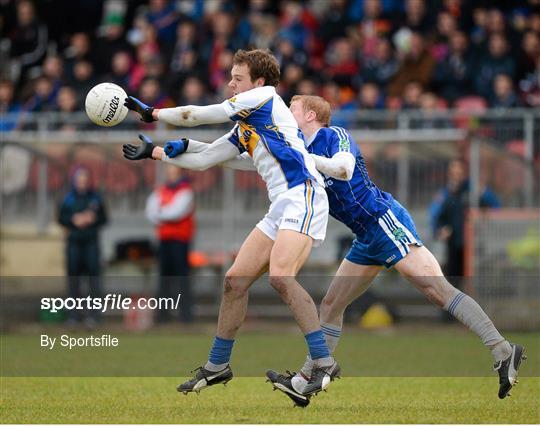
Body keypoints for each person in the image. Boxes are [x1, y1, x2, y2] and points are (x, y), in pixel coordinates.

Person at [264, 95, 525, 407]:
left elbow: (344, 169)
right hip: (364, 235)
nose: (286, 113)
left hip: (383, 220)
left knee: (437, 290)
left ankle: (503, 351)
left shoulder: (334, 136)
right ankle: (308, 378)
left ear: (310, 114)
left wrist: (306, 160)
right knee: (331, 304)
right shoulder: (302, 150)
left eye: (291, 108)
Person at [122, 49, 339, 397]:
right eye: (230, 78)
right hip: (281, 204)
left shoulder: (266, 97)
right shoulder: (247, 127)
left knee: (281, 278)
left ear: (259, 83)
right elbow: (207, 158)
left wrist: (152, 112)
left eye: (237, 79)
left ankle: (323, 361)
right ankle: (217, 366)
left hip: (304, 194)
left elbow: (203, 114)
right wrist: (156, 153)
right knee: (234, 282)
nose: (230, 84)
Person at [430, 159, 500, 280]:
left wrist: (483, 197)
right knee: (454, 276)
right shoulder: (446, 193)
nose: (456, 174)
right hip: (453, 242)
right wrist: (439, 230)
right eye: (454, 171)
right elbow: (436, 216)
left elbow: (495, 206)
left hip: (473, 241)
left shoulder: (473, 191)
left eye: (459, 171)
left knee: (472, 277)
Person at [58, 167, 108, 328]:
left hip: (91, 243)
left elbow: (104, 218)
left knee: (93, 280)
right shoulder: (68, 198)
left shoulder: (96, 198)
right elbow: (61, 218)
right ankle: (74, 316)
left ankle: (93, 317)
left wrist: (92, 218)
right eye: (80, 180)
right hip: (74, 243)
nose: (82, 183)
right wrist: (74, 219)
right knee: (74, 281)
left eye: (85, 180)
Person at [145, 164, 195, 323]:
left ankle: (185, 315)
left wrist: (161, 212)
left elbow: (176, 213)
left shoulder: (186, 192)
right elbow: (150, 211)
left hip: (180, 241)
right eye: (169, 173)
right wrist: (163, 213)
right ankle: (162, 315)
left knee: (182, 278)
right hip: (164, 240)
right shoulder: (161, 191)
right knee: (163, 278)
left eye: (174, 173)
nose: (171, 176)